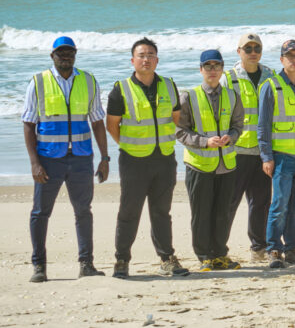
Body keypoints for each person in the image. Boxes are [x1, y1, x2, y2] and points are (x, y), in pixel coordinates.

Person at [23, 36, 108, 282]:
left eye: (70, 52)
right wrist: (34, 162)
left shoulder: (89, 81)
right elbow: (28, 124)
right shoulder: (38, 82)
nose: (65, 56)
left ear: (75, 54)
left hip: (81, 158)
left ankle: (86, 264)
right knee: (40, 212)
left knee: (83, 211)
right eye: (61, 53)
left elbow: (97, 122)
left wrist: (104, 158)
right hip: (49, 160)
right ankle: (39, 267)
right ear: (52, 56)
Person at [105, 37, 188, 279]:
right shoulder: (121, 89)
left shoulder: (169, 85)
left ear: (157, 60)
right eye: (141, 55)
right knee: (129, 211)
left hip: (164, 158)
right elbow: (112, 125)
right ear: (133, 61)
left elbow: (174, 117)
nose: (146, 59)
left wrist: (158, 142)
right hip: (134, 160)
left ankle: (167, 259)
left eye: (151, 55)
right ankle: (122, 260)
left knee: (161, 211)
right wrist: (131, 145)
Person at [175, 49, 244, 271]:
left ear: (222, 69)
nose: (212, 71)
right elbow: (179, 131)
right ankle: (204, 255)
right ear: (201, 70)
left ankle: (220, 254)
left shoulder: (233, 95)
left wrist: (231, 137)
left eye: (216, 66)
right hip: (199, 164)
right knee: (201, 212)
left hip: (226, 165)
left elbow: (238, 126)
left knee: (223, 212)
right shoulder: (189, 96)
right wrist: (205, 142)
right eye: (208, 66)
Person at [259, 40, 295, 269]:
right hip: (282, 155)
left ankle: (292, 247)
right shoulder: (271, 86)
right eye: (289, 55)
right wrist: (266, 156)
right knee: (280, 204)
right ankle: (274, 248)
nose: (294, 59)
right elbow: (262, 125)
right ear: (281, 60)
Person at [222, 33, 277, 262]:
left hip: (263, 152)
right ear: (239, 52)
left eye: (257, 48)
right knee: (229, 202)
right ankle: (218, 247)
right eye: (248, 48)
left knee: (261, 203)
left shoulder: (271, 76)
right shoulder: (229, 78)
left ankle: (258, 248)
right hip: (237, 152)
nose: (253, 51)